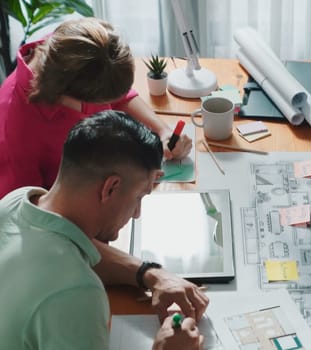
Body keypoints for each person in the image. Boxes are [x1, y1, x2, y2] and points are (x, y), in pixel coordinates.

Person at [0, 110, 206, 349]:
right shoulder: (77, 293)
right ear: (110, 188)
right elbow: (66, 276)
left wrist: (148, 273)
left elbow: (74, 249)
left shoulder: (16, 202)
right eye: (139, 196)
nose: (137, 212)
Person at [0, 17, 192, 199]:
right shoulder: (15, 127)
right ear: (66, 95)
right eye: (100, 102)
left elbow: (120, 97)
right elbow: (27, 211)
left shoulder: (70, 51)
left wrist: (163, 131)